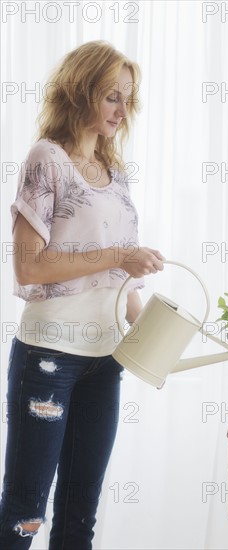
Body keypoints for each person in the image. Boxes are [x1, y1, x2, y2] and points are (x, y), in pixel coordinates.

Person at [0, 40, 165, 549]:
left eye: (127, 99)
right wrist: (119, 255)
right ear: (81, 90)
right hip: (50, 355)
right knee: (26, 510)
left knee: (79, 512)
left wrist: (154, 342)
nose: (121, 109)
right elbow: (29, 266)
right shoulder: (46, 159)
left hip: (105, 358)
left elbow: (119, 285)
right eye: (110, 96)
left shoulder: (116, 178)